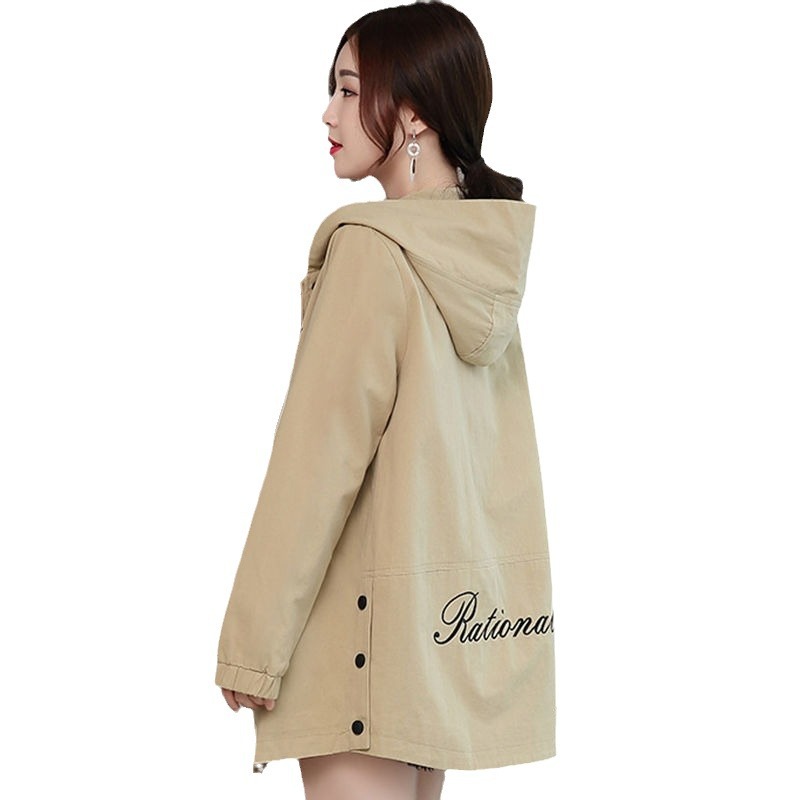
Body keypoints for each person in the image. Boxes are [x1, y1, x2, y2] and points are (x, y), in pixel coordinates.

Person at [215, 2, 556, 798]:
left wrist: (252, 648)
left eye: (347, 89)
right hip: (433, 660)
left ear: (412, 115)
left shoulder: (374, 256)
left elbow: (315, 465)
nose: (328, 113)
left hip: (358, 662)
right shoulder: (478, 260)